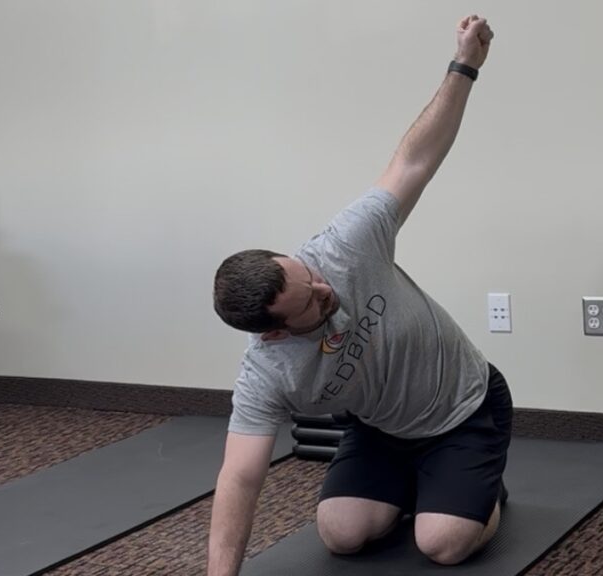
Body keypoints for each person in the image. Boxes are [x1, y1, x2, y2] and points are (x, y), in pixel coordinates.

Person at [207, 14, 510, 576]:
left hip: (463, 406)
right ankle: (429, 486)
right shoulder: (267, 373)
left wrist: (465, 65)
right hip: (385, 428)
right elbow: (240, 475)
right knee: (341, 535)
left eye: (309, 276)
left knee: (441, 543)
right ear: (273, 332)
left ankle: (482, 489)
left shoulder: (344, 245)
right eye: (312, 302)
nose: (325, 288)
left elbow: (415, 160)